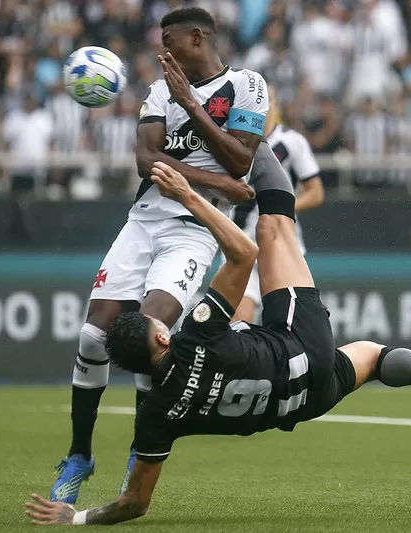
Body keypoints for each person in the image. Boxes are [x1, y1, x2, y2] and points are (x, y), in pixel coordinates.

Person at [24, 160, 411, 526]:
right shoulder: (193, 335)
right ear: (162, 332)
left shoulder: (154, 413)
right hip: (298, 346)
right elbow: (242, 252)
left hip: (301, 401)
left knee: (374, 357)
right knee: (272, 226)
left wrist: (76, 521)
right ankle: (258, 137)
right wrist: (193, 191)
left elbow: (134, 504)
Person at [50, 7, 268, 504]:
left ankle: (138, 450)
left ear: (198, 36)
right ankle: (79, 455)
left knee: (152, 336)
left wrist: (191, 107)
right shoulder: (157, 90)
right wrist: (222, 184)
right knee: (92, 334)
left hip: (195, 230)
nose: (162, 52)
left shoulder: (247, 85)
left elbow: (242, 158)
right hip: (144, 219)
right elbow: (148, 162)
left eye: (169, 41)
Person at [231, 84, 324, 323]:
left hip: (282, 243)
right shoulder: (232, 141)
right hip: (241, 244)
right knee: (240, 325)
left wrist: (279, 209)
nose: (262, 106)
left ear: (276, 104)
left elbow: (315, 193)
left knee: (289, 323)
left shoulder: (292, 142)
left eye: (268, 99)